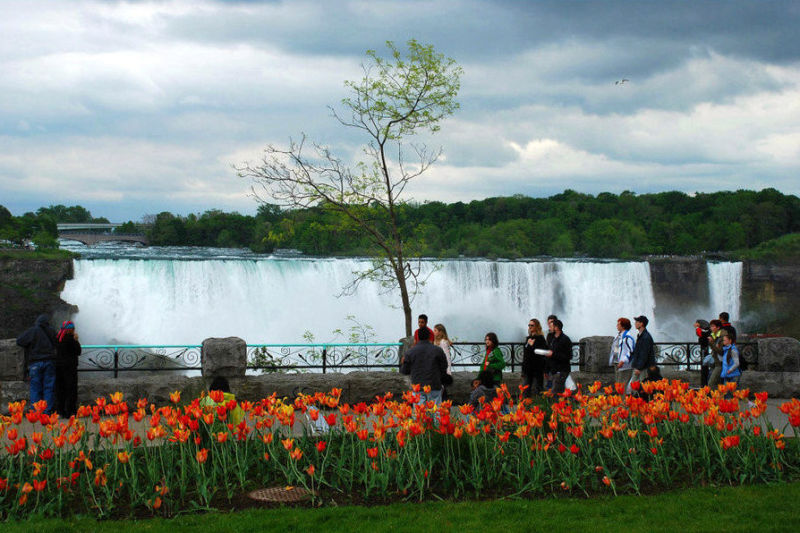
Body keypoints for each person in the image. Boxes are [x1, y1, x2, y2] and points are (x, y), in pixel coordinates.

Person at [16, 314, 58, 413]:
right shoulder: (51, 331)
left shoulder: (33, 331)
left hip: (35, 363)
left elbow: (20, 341)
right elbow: (58, 343)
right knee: (49, 387)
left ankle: (36, 412)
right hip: (49, 361)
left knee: (35, 387)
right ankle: (47, 411)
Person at [400, 326, 448, 404]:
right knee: (436, 413)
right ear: (430, 336)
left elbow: (405, 371)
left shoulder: (410, 352)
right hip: (434, 386)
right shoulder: (438, 350)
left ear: (417, 337)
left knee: (420, 414)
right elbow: (444, 366)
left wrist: (403, 363)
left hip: (418, 388)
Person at [55, 320, 81, 418]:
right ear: (71, 329)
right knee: (71, 390)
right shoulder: (71, 339)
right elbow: (78, 351)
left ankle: (60, 411)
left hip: (59, 367)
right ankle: (70, 412)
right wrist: (76, 340)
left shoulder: (58, 338)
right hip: (70, 368)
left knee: (60, 390)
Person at [629, 315, 655, 394]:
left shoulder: (645, 337)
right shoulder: (642, 335)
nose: (635, 323)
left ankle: (640, 403)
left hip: (642, 368)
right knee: (636, 387)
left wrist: (639, 368)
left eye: (637, 322)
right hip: (640, 366)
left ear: (641, 324)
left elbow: (644, 354)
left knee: (638, 387)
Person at [521, 318, 547, 397]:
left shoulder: (540, 339)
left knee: (537, 390)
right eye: (529, 325)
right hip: (527, 369)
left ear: (537, 326)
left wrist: (532, 346)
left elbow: (541, 353)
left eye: (532, 325)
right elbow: (526, 354)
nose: (530, 327)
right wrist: (523, 369)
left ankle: (538, 407)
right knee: (525, 390)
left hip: (537, 369)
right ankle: (525, 407)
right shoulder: (528, 338)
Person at [545, 319, 572, 394]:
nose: (549, 328)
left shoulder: (565, 340)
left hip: (561, 371)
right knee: (556, 392)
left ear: (556, 328)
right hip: (554, 370)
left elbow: (568, 356)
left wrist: (553, 354)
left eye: (551, 326)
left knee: (556, 393)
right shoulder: (553, 338)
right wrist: (546, 370)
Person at [609, 318, 635, 389]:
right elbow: (617, 348)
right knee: (618, 385)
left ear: (623, 326)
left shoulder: (627, 337)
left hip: (624, 366)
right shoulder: (618, 336)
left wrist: (623, 360)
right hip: (617, 363)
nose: (616, 326)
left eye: (618, 324)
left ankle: (623, 400)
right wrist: (614, 359)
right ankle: (620, 399)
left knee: (621, 387)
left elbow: (630, 351)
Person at [433, 324, 454, 399]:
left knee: (442, 390)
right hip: (437, 369)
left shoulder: (443, 342)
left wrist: (448, 370)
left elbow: (447, 357)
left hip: (442, 370)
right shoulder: (436, 341)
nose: (433, 332)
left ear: (440, 332)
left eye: (435, 330)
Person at [707, 319, 728, 389]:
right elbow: (714, 348)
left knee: (711, 383)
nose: (711, 328)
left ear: (718, 327)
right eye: (711, 326)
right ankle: (718, 398)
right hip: (716, 362)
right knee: (717, 383)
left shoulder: (723, 337)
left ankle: (712, 398)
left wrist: (712, 343)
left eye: (713, 326)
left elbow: (721, 351)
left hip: (721, 363)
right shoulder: (714, 336)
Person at [695, 319, 711, 386]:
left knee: (704, 365)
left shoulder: (702, 331)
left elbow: (700, 335)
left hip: (704, 348)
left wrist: (697, 328)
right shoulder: (706, 331)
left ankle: (704, 384)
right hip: (705, 348)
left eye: (696, 323)